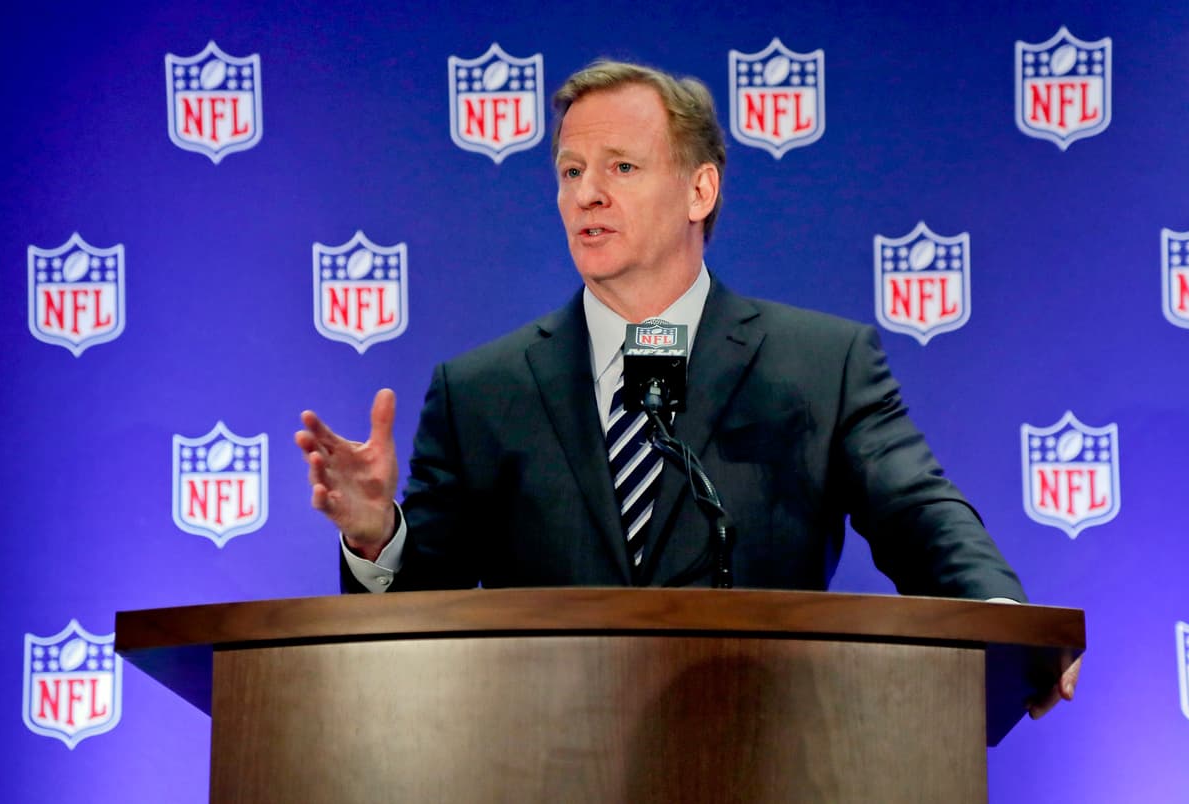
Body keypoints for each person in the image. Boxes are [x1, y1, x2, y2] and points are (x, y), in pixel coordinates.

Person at [295, 60, 1079, 716]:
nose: (586, 194)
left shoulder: (818, 363)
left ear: (700, 192)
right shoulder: (480, 391)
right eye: (571, 172)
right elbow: (413, 622)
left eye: (621, 168)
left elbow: (916, 511)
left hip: (772, 749)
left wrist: (1008, 625)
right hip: (540, 763)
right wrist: (375, 536)